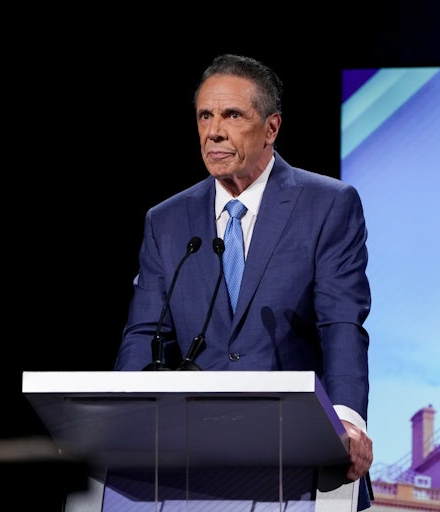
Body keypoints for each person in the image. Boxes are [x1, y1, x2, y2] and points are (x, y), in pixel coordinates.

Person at [112, 53, 373, 511]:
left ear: (271, 128)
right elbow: (145, 336)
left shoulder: (328, 205)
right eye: (205, 116)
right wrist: (123, 420)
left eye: (232, 115)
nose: (214, 131)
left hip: (297, 457)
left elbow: (342, 325)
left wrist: (348, 422)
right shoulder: (167, 221)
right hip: (190, 466)